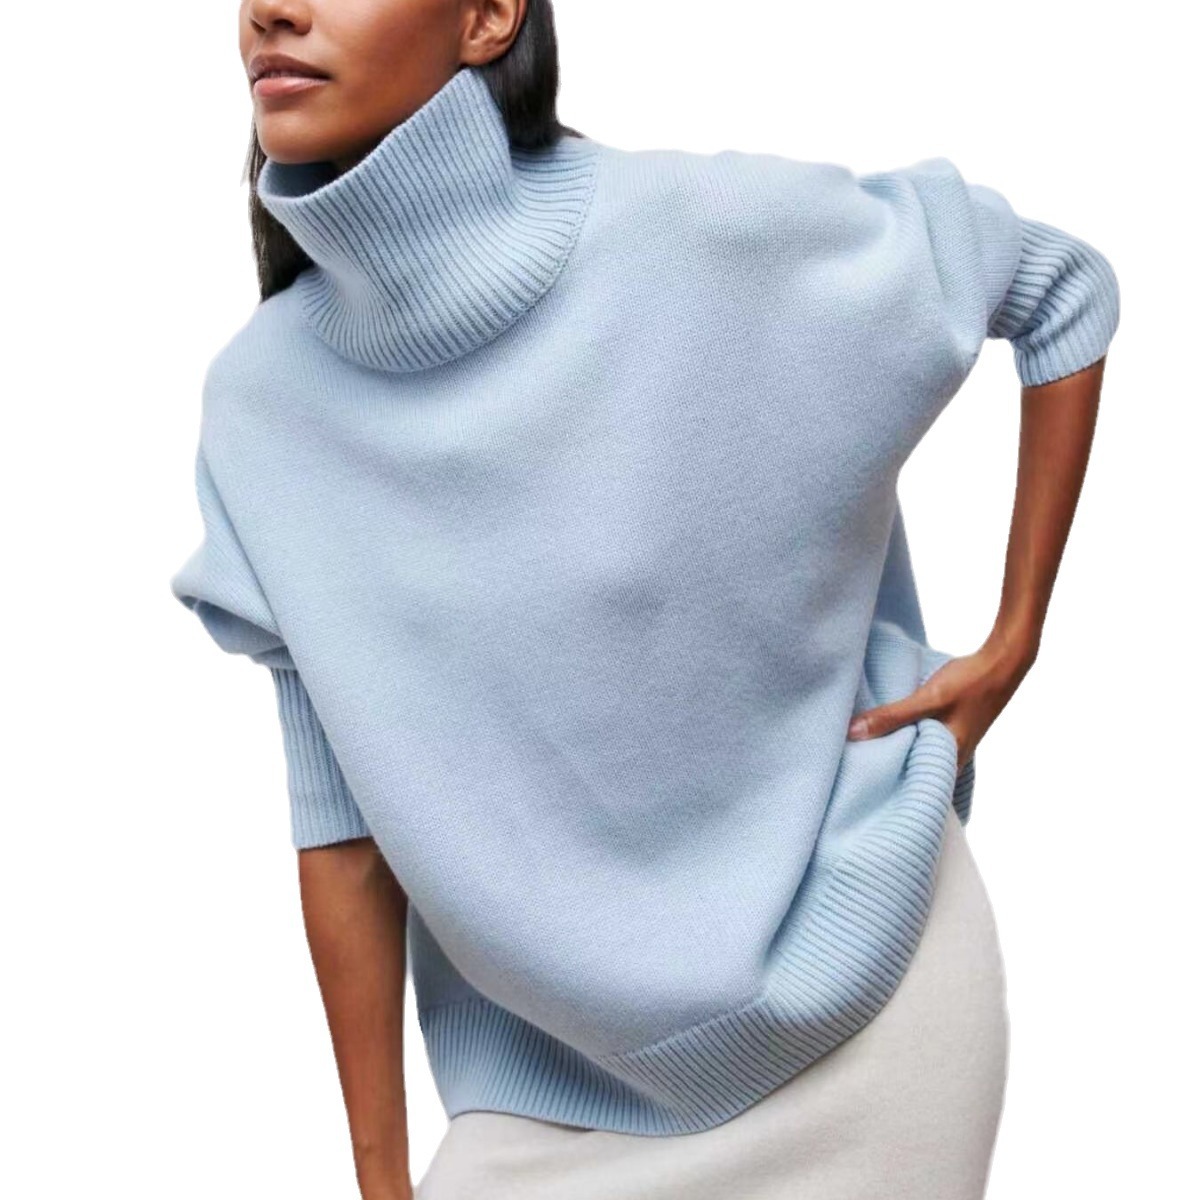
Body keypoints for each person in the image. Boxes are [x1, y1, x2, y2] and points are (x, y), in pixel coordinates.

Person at [168, 1, 1120, 1197]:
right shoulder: (264, 407)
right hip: (539, 1090)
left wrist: (1013, 640)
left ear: (488, 17)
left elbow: (1056, 289)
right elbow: (345, 838)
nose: (273, 10)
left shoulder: (699, 234)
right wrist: (381, 1181)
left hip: (865, 1010)